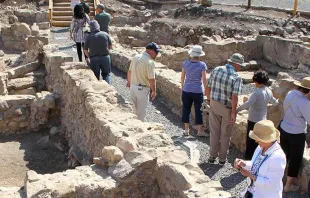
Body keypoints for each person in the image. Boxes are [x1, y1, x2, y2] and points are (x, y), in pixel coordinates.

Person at [206, 53, 245, 165]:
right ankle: (222, 159)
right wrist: (233, 112)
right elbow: (234, 97)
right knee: (225, 134)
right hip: (227, 107)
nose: (241, 68)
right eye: (240, 65)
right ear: (236, 64)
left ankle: (212, 156)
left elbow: (208, 87)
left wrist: (209, 101)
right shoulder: (236, 77)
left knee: (214, 132)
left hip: (214, 103)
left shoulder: (217, 69)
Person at [234, 120, 286, 198]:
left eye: (258, 138)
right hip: (252, 192)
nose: (256, 141)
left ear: (268, 140)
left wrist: (251, 176)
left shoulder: (278, 157)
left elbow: (272, 184)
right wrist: (244, 164)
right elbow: (255, 164)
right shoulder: (260, 147)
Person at [237, 70, 279, 160]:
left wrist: (237, 109)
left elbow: (248, 104)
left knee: (251, 141)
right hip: (263, 120)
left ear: (257, 80)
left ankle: (248, 159)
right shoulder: (268, 91)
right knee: (260, 142)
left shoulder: (257, 93)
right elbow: (275, 102)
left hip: (253, 120)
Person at [278, 76, 310, 192]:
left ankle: (279, 179)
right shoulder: (304, 102)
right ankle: (288, 185)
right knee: (295, 159)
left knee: (284, 155)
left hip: (284, 129)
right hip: (296, 133)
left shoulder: (291, 93)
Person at [126, 42, 160, 122]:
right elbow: (151, 79)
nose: (157, 54)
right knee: (141, 113)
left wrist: (129, 81)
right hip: (142, 89)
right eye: (156, 52)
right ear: (151, 51)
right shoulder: (149, 62)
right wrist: (154, 91)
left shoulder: (136, 57)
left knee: (133, 110)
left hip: (133, 87)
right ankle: (140, 131)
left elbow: (130, 71)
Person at [181, 45, 208, 137]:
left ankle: (186, 130)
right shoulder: (202, 65)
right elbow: (204, 79)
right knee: (199, 110)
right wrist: (206, 91)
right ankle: (200, 131)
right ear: (199, 55)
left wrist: (182, 87)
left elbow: (182, 77)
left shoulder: (185, 63)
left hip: (186, 89)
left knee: (186, 109)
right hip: (198, 91)